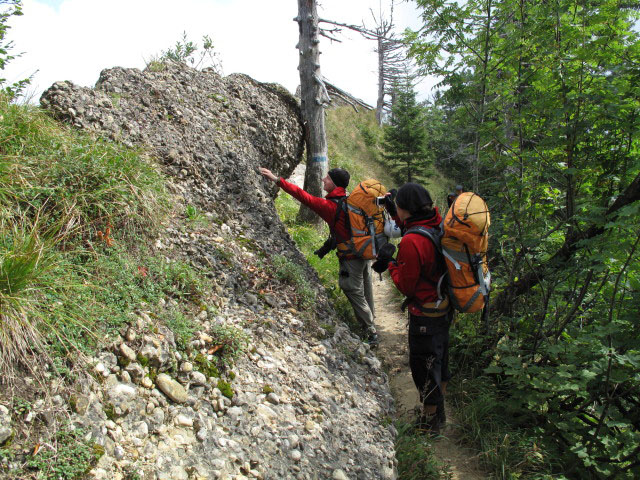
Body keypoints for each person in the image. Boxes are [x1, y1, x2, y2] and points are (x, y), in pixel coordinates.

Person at [259, 166, 379, 347]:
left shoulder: (329, 206)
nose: (323, 179)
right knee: (364, 289)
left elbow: (303, 196)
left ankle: (370, 332)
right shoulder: (349, 202)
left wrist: (277, 180)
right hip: (364, 252)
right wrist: (328, 246)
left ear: (335, 183)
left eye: (328, 178)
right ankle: (370, 323)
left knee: (351, 288)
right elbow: (345, 230)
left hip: (350, 258)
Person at [372, 183, 451, 434]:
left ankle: (430, 423)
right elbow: (410, 225)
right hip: (445, 307)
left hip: (424, 314)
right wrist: (394, 210)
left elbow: (407, 287)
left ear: (407, 209)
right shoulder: (437, 222)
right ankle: (440, 411)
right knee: (440, 361)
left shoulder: (411, 241)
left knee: (424, 367)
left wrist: (391, 263)